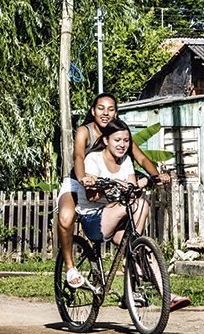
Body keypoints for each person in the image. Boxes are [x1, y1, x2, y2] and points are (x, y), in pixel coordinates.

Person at [57, 93, 169, 287]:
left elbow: (141, 158)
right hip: (78, 182)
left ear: (116, 113)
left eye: (111, 109)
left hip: (104, 184)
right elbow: (78, 157)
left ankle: (132, 277)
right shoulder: (85, 131)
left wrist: (157, 176)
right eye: (101, 108)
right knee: (66, 217)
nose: (105, 113)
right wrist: (84, 178)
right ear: (93, 111)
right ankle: (70, 267)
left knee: (131, 215)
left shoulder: (118, 134)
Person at [78, 119, 190, 311]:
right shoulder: (93, 159)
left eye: (126, 141)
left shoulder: (126, 161)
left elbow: (131, 190)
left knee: (142, 209)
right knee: (136, 204)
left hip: (118, 217)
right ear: (105, 140)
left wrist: (143, 183)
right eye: (117, 140)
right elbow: (92, 196)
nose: (122, 145)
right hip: (95, 218)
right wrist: (102, 185)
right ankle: (132, 249)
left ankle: (167, 296)